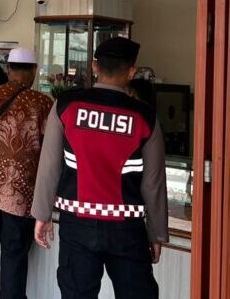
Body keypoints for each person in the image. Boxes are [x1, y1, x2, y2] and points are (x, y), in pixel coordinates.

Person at [32, 37, 167, 299]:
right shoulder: (145, 116)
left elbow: (49, 166)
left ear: (94, 66)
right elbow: (153, 183)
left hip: (77, 224)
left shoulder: (66, 105)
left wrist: (42, 214)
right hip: (128, 229)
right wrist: (156, 233)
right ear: (131, 72)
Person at [0, 47, 53, 299]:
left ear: (8, 69)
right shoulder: (43, 103)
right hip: (20, 193)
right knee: (14, 259)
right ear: (34, 71)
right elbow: (50, 152)